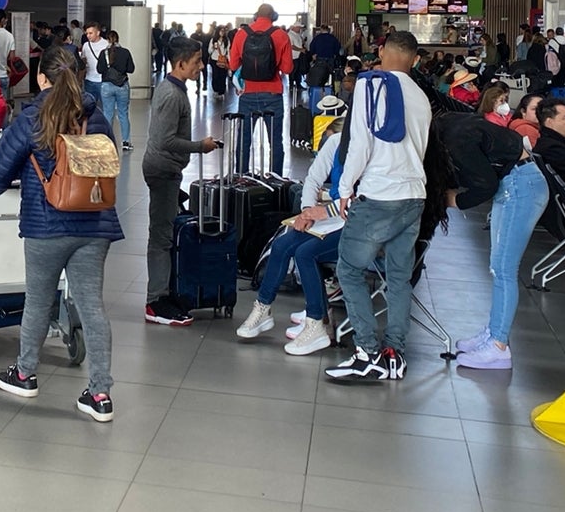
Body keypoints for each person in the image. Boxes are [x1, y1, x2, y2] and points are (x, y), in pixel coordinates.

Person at [0, 46, 121, 421]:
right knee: (92, 306)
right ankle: (100, 395)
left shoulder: (31, 118)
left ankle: (26, 374)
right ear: (79, 76)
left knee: (38, 301)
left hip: (46, 226)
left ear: (41, 78)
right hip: (95, 225)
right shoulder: (94, 116)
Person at [324, 31, 432, 384]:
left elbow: (359, 145)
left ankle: (367, 351)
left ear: (382, 51)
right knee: (399, 278)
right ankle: (394, 354)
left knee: (350, 270)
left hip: (379, 195)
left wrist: (343, 187)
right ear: (415, 59)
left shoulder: (371, 86)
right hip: (414, 195)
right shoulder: (422, 96)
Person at [440, 112, 547, 371]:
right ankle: (494, 331)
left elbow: (485, 185)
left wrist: (453, 200)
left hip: (518, 187)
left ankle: (498, 346)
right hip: (519, 181)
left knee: (503, 269)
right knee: (498, 267)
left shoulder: (453, 139)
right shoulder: (450, 123)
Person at [236, 114, 348, 354]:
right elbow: (313, 178)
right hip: (331, 219)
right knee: (282, 243)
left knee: (305, 252)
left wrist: (323, 210)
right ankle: (263, 307)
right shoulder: (336, 142)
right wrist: (307, 210)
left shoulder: (373, 150)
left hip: (354, 225)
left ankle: (316, 322)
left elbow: (364, 200)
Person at [141, 37, 219, 327]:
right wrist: (201, 145)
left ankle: (164, 293)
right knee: (160, 238)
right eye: (197, 61)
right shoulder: (172, 95)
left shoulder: (173, 89)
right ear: (181, 63)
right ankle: (155, 301)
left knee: (164, 233)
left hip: (167, 170)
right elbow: (165, 140)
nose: (201, 66)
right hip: (162, 170)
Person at [228, 3, 294, 176]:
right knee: (275, 142)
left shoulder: (241, 34)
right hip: (273, 95)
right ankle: (276, 180)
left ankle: (241, 178)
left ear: (255, 16)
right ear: (274, 16)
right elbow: (287, 69)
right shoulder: (281, 35)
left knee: (243, 141)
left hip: (248, 94)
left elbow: (234, 64)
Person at [98, 29, 135, 151]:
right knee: (123, 114)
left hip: (107, 86)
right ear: (118, 39)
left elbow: (99, 69)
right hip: (122, 86)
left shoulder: (104, 53)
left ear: (107, 40)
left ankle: (106, 141)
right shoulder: (125, 52)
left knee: (108, 113)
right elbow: (131, 69)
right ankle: (125, 142)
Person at [0, 8, 17, 105]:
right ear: (2, 20)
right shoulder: (9, 36)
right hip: (3, 75)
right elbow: (12, 57)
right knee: (2, 107)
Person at [77, 23, 105, 104]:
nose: (88, 36)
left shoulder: (106, 44)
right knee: (89, 106)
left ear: (98, 33)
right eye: (87, 33)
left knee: (105, 107)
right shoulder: (86, 45)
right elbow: (83, 61)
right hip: (89, 80)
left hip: (102, 81)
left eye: (91, 33)